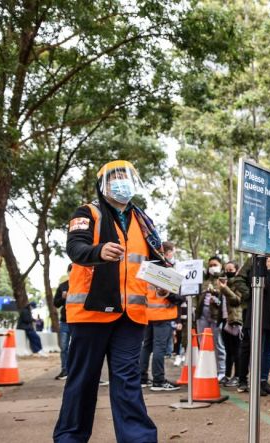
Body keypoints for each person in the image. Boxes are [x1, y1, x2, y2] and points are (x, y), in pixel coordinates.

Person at [54, 160, 166, 442]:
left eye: (126, 176)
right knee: (83, 381)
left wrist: (167, 284)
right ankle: (70, 437)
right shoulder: (87, 213)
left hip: (132, 317)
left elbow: (155, 265)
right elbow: (75, 247)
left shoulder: (143, 222)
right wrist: (98, 250)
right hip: (91, 314)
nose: (121, 181)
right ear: (102, 184)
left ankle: (138, 438)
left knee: (128, 382)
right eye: (115, 176)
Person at [233, 257, 270, 395]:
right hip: (257, 314)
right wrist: (251, 295)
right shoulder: (255, 261)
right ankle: (253, 382)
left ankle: (263, 381)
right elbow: (238, 279)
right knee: (256, 350)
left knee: (268, 351)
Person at [139, 241, 183, 391]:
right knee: (159, 348)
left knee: (146, 347)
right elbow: (173, 296)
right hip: (162, 314)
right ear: (167, 253)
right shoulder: (165, 270)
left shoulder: (147, 268)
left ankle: (142, 378)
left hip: (147, 314)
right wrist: (178, 296)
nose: (173, 255)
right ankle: (158, 380)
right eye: (172, 252)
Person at [196, 256, 228, 381]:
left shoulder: (223, 280)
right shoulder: (203, 281)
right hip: (202, 315)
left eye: (215, 264)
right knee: (202, 343)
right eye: (210, 265)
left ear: (220, 265)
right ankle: (205, 370)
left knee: (218, 343)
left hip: (216, 316)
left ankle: (221, 371)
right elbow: (196, 296)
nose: (212, 267)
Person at [219, 261, 243, 387]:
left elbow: (237, 300)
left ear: (236, 270)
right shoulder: (224, 283)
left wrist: (225, 289)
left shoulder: (239, 284)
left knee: (237, 349)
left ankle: (238, 376)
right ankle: (227, 375)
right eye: (226, 270)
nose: (228, 272)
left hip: (236, 321)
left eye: (231, 269)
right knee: (228, 350)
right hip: (225, 321)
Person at [53, 264, 73, 379]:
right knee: (64, 347)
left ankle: (75, 371)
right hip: (65, 321)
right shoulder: (63, 286)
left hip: (78, 321)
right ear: (68, 272)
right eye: (71, 271)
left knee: (77, 347)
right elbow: (56, 303)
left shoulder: (83, 284)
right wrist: (63, 298)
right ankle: (64, 370)